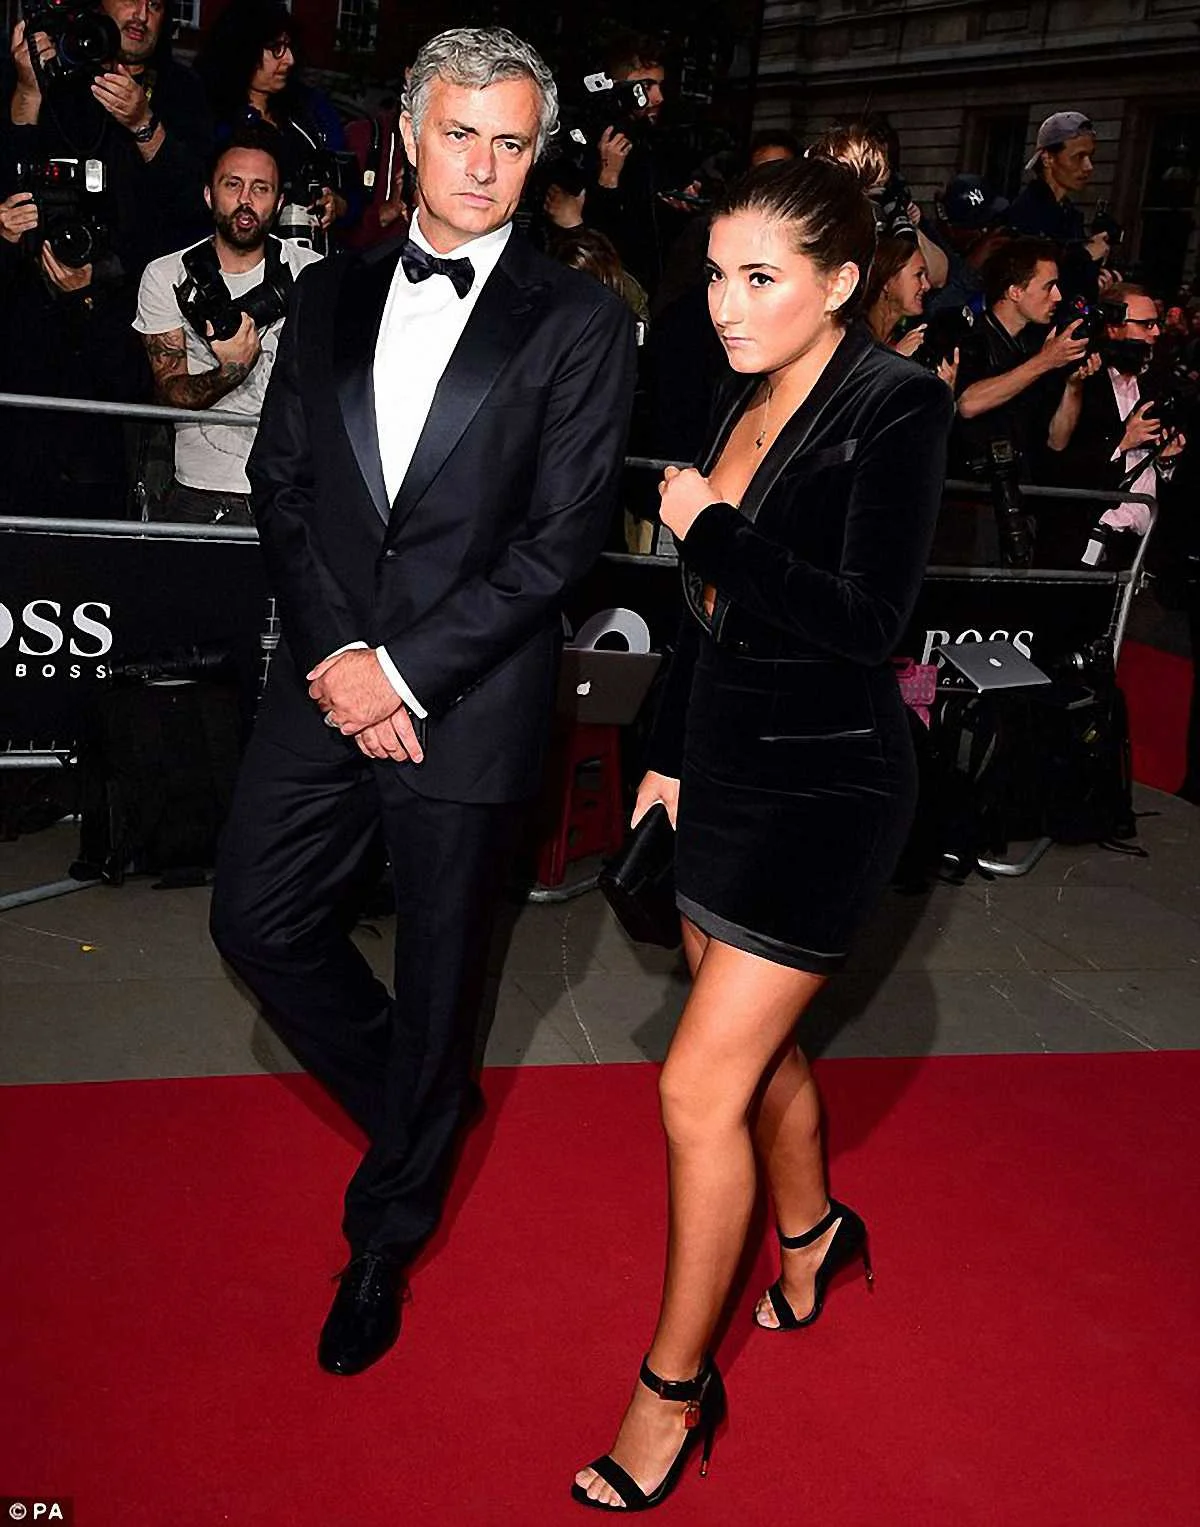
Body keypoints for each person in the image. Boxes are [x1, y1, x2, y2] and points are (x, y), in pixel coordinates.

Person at [209, 27, 636, 1379]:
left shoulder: (578, 319)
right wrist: (343, 656)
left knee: (445, 976)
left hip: (473, 699)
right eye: (461, 134)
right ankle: (426, 1101)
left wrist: (399, 673)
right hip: (322, 679)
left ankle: (384, 1237)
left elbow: (560, 543)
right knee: (256, 918)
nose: (485, 166)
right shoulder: (330, 290)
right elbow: (282, 484)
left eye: (512, 143)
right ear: (406, 134)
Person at [572, 155, 952, 1511]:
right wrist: (669, 759)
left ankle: (674, 1391)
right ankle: (814, 1229)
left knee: (696, 1088)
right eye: (715, 276)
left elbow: (866, 619)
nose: (725, 306)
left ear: (841, 282)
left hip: (828, 791)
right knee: (759, 1045)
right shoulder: (746, 388)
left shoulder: (896, 403)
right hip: (723, 774)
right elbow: (708, 623)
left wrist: (714, 526)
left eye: (759, 278)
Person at [132, 126, 322, 525]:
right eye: (233, 184)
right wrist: (230, 370)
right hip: (197, 491)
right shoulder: (166, 275)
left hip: (290, 490)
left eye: (260, 188)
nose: (246, 200)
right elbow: (170, 392)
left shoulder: (314, 275)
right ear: (209, 194)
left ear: (279, 202)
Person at [2, 0, 212, 274]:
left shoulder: (183, 88)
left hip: (142, 281)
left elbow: (194, 202)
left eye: (155, 5)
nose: (141, 15)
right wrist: (29, 91)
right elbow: (14, 178)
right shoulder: (56, 72)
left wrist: (143, 124)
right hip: (48, 272)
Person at [193, 0, 356, 247]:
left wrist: (338, 205)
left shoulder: (312, 113)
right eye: (275, 49)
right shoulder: (205, 117)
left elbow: (353, 192)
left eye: (289, 47)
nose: (288, 59)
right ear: (243, 51)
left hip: (312, 254)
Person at [1046, 282, 1187, 563]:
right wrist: (1123, 441)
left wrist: (1166, 462)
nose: (1156, 332)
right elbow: (1060, 460)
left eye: (1157, 324)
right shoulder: (1083, 380)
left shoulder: (1159, 383)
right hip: (1083, 537)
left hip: (1140, 545)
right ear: (1113, 327)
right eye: (1146, 325)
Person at [953, 235, 1091, 481]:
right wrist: (1044, 361)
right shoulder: (969, 338)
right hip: (972, 491)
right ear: (1015, 291)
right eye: (1049, 287)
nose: (1058, 296)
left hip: (1024, 486)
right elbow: (968, 404)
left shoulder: (1037, 345)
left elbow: (1057, 441)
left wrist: (1073, 387)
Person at [1008, 112, 1109, 302]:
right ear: (1048, 159)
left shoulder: (1068, 213)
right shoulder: (1028, 212)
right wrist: (1085, 256)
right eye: (1078, 156)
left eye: (1089, 156)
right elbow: (1030, 281)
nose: (1088, 166)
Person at [863, 231, 957, 384]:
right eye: (918, 275)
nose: (926, 286)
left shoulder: (912, 342)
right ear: (887, 281)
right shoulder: (849, 333)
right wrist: (896, 358)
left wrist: (944, 388)